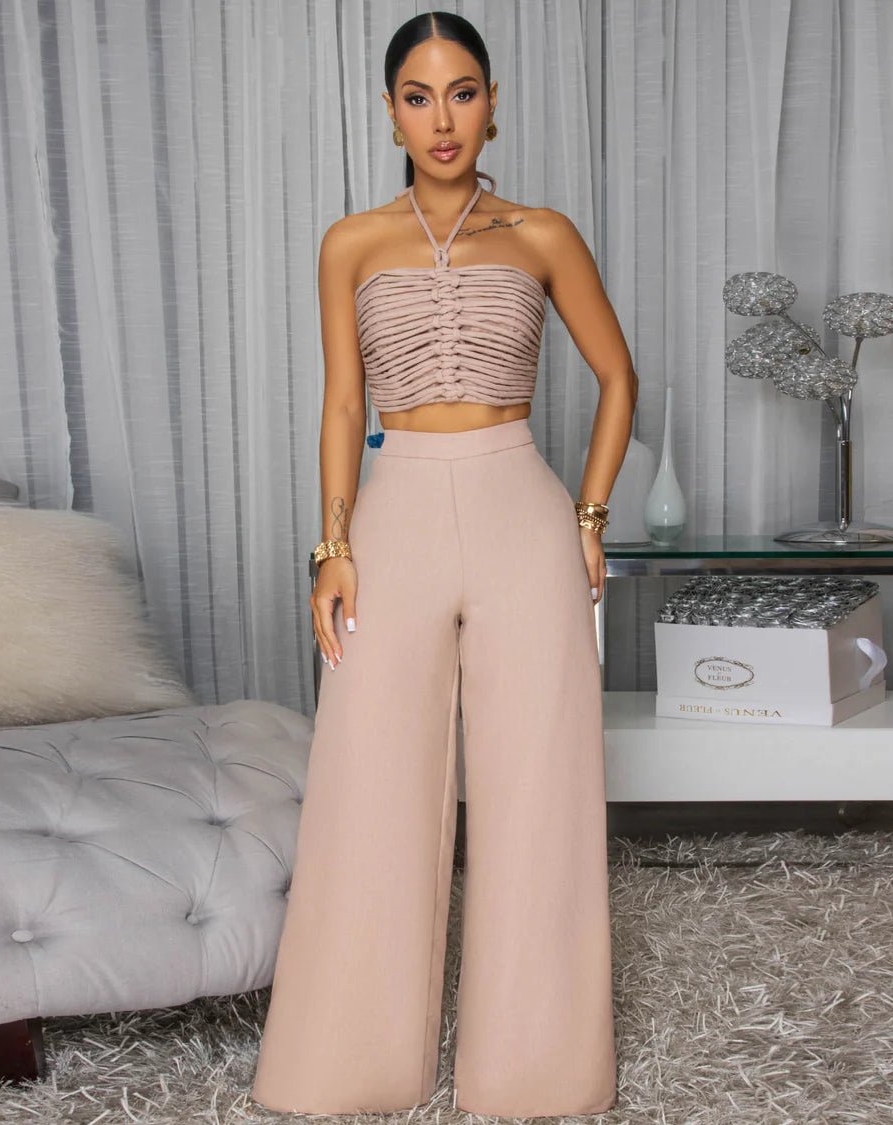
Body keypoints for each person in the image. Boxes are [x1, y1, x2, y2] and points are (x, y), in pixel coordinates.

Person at [251, 10, 637, 1118]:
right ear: (390, 112)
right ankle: (348, 1066)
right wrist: (333, 546)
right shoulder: (351, 242)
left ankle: (535, 1075)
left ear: (493, 101)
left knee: (540, 788)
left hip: (522, 506)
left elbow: (618, 377)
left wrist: (589, 515)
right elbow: (342, 406)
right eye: (418, 97)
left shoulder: (544, 234)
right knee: (369, 780)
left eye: (461, 92)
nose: (442, 118)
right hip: (398, 511)